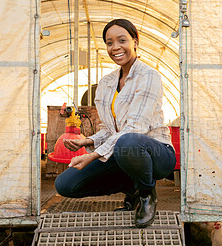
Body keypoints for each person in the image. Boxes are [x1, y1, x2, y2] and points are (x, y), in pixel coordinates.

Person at [55, 19, 176, 228]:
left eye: (122, 40)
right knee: (65, 184)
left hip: (157, 154)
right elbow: (109, 130)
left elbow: (135, 128)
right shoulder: (106, 83)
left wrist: (93, 155)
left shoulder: (149, 76)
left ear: (135, 42)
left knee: (127, 143)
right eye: (109, 43)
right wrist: (88, 141)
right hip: (124, 152)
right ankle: (133, 190)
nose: (116, 47)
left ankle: (147, 194)